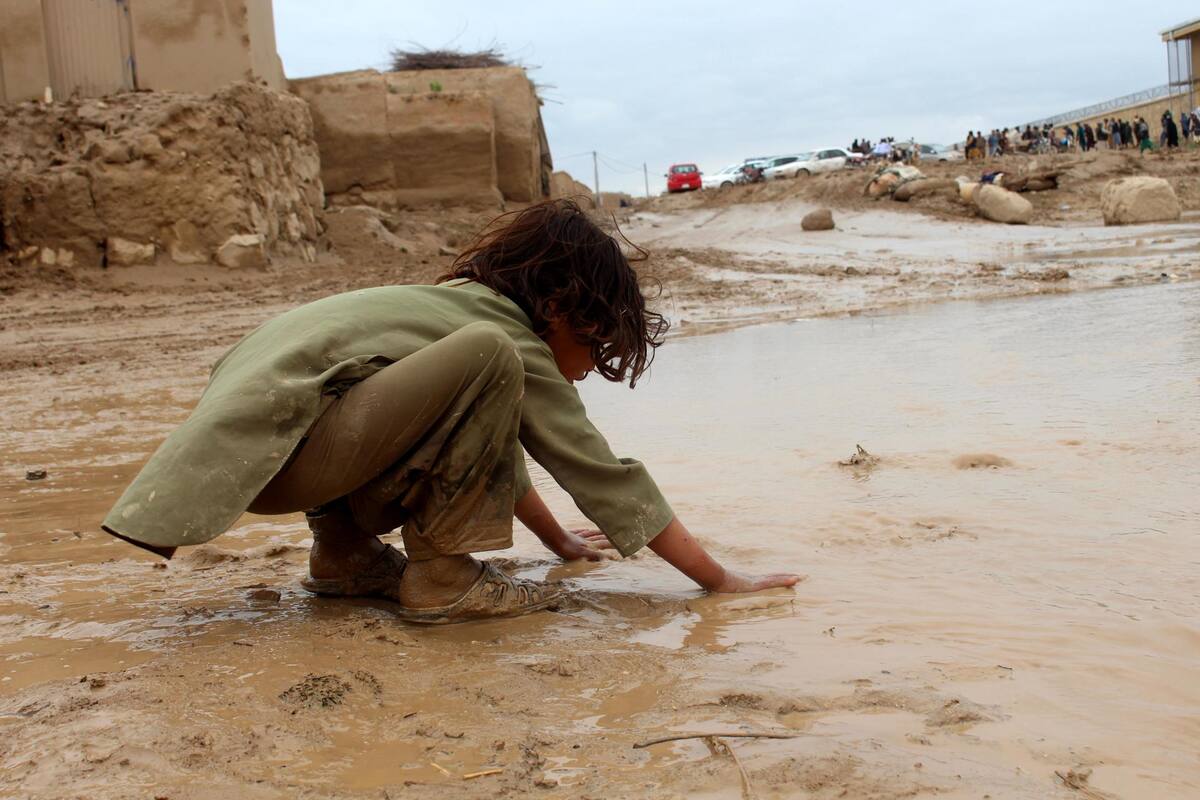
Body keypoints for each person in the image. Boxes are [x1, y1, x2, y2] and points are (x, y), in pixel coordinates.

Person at [102, 200, 802, 623]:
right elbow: (596, 469)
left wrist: (560, 544)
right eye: (592, 347)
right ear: (557, 309)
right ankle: (444, 579)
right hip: (286, 458)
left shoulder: (442, 312)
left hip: (250, 460)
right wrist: (721, 581)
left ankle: (342, 556)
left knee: (453, 380)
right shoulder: (503, 335)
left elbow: (491, 450)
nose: (588, 368)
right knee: (488, 358)